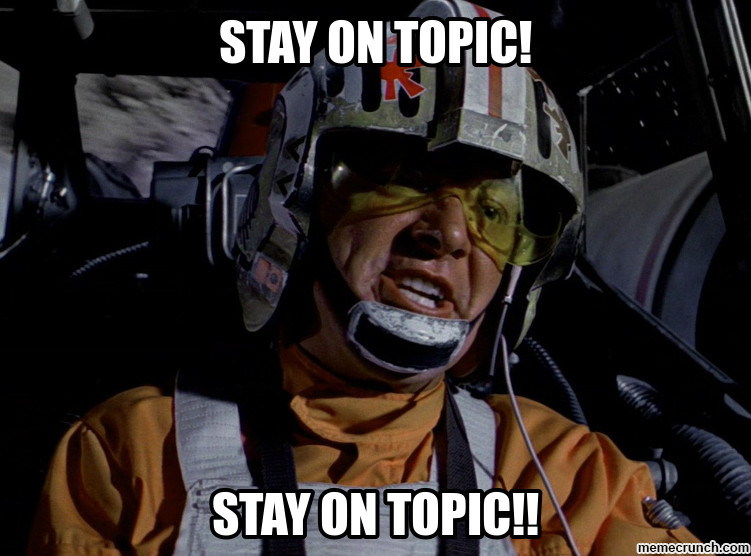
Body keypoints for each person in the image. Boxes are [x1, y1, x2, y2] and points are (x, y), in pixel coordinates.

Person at [28, 0, 703, 554]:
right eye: (401, 182)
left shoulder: (571, 475)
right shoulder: (132, 458)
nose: (448, 233)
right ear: (299, 204)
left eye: (492, 212)